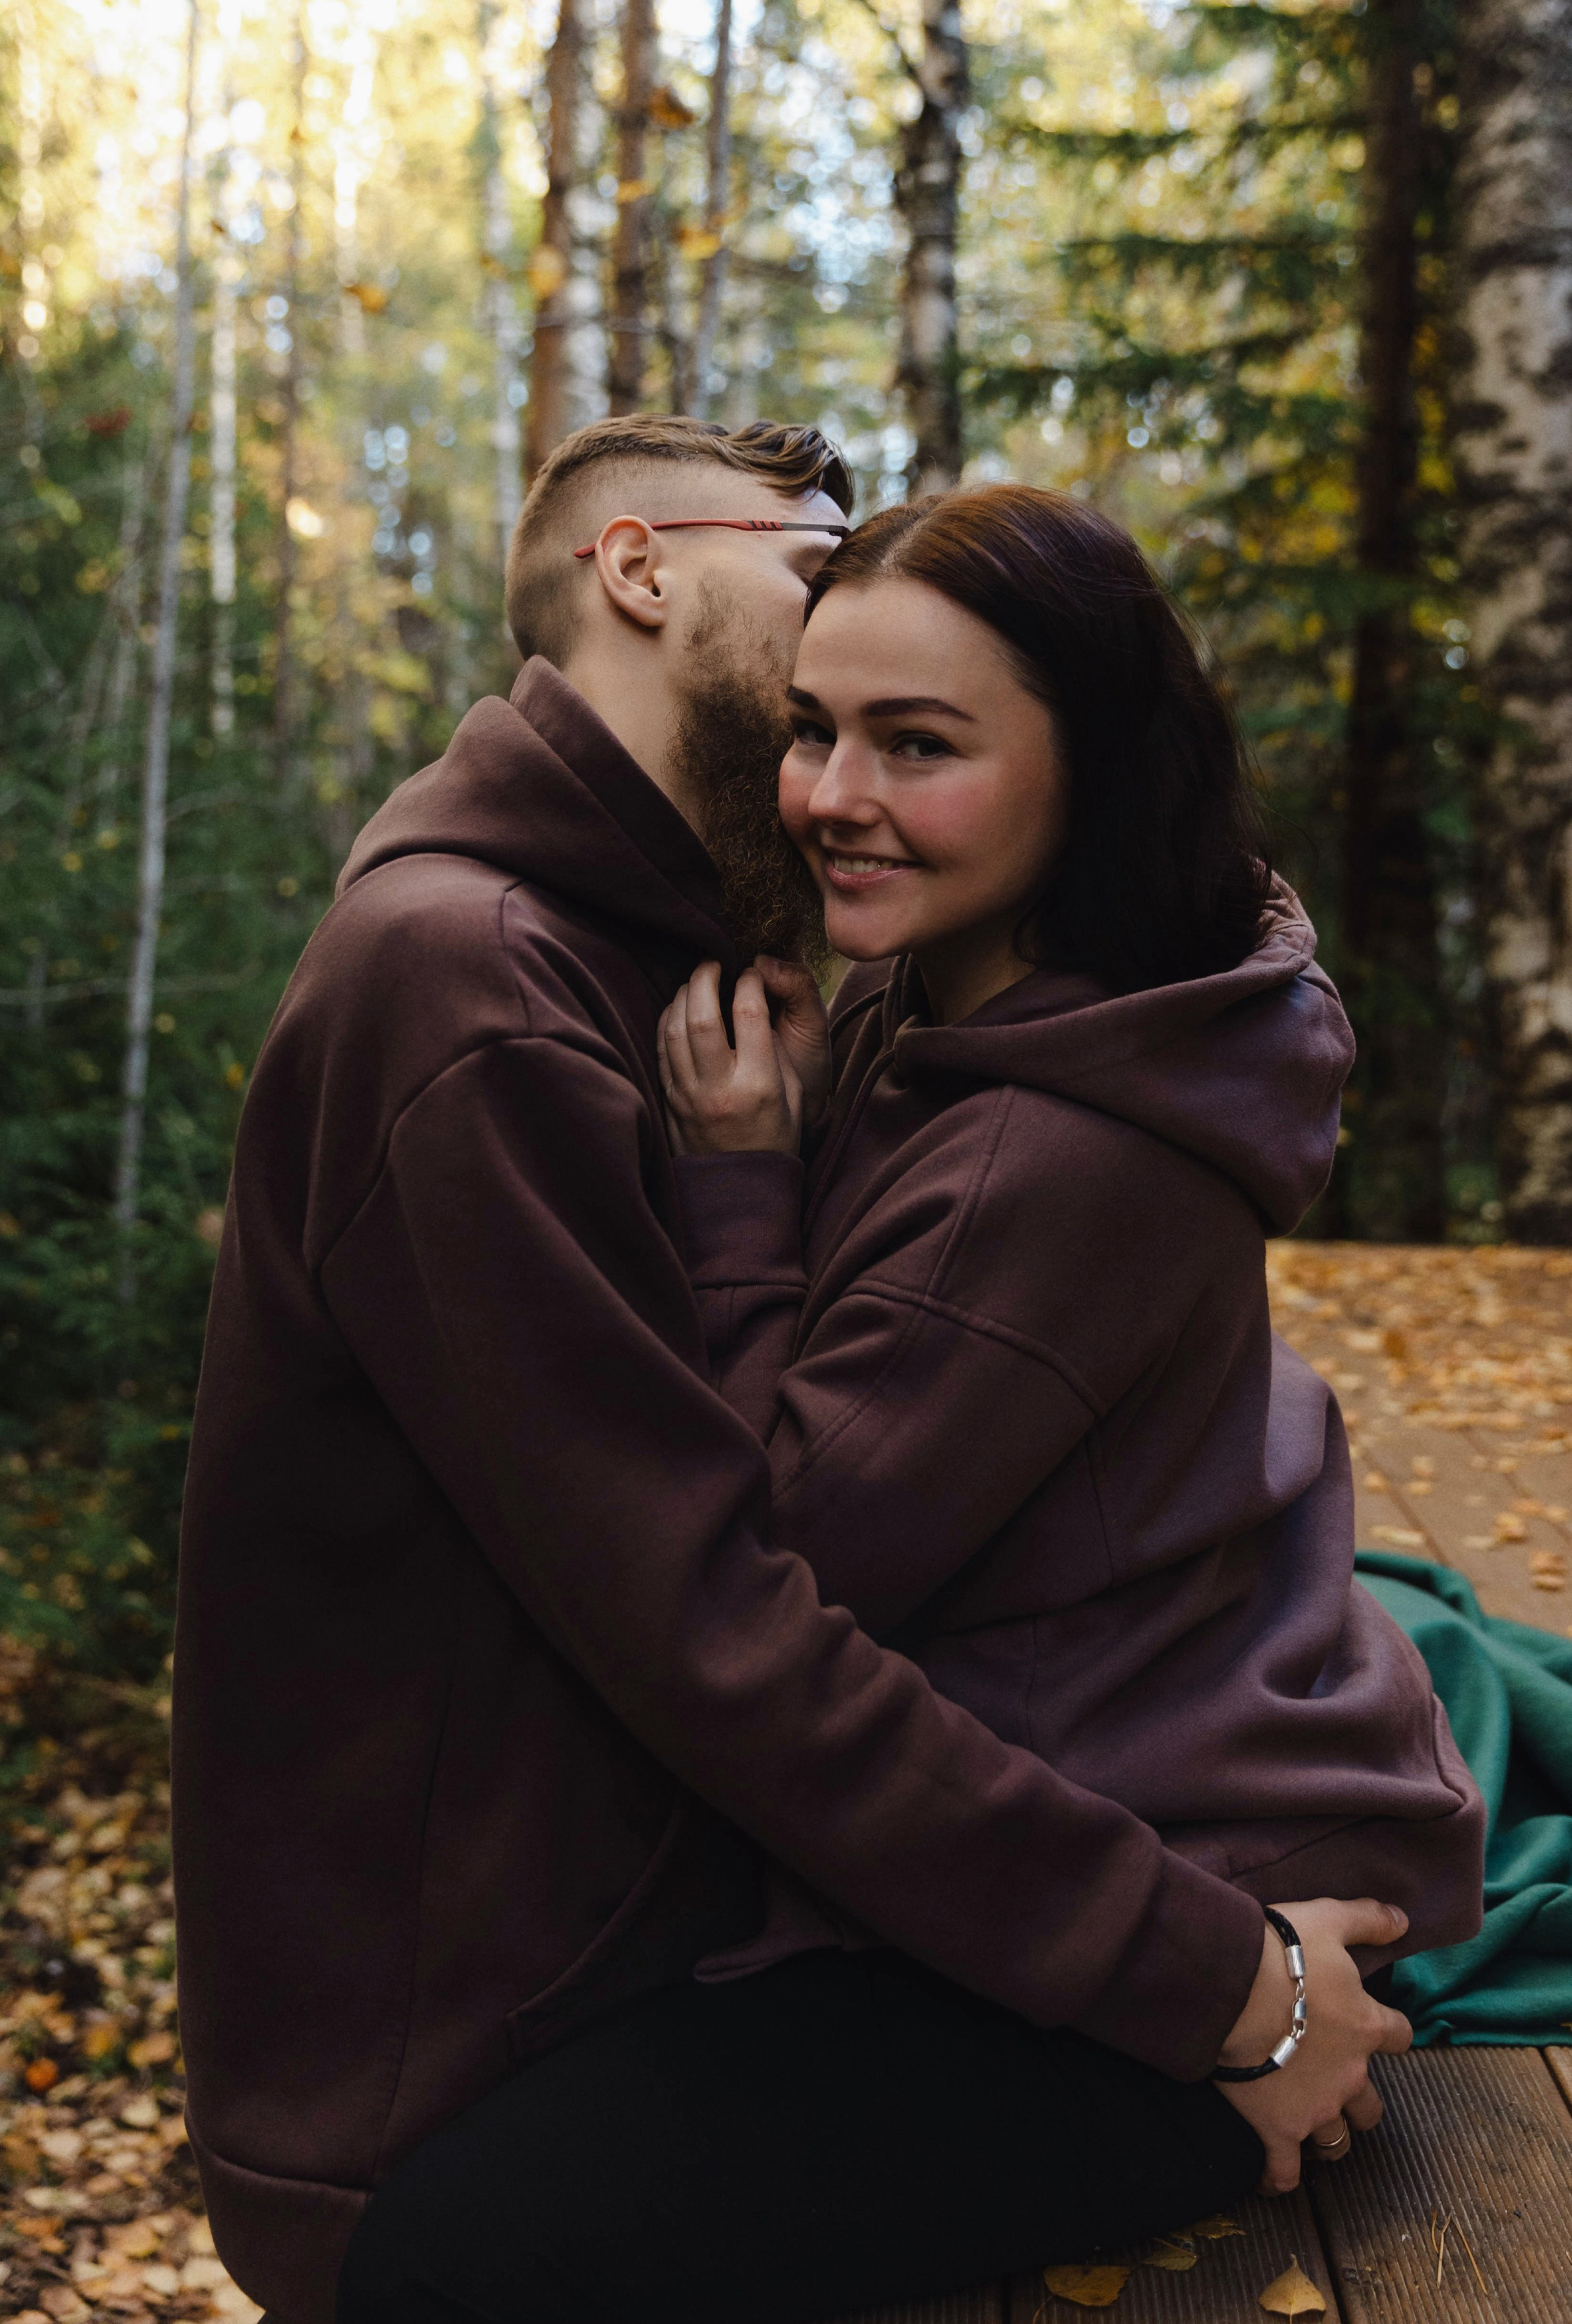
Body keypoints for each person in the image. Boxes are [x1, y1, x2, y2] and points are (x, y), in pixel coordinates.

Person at [176, 422, 1418, 2324]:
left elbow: (762, 1574)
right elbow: (724, 1599)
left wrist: (1220, 1985)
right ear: (646, 569)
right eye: (817, 570)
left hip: (1043, 1842)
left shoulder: (804, 1005)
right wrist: (1206, 1977)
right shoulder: (506, 978)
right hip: (508, 2000)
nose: (839, 772)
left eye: (918, 738)